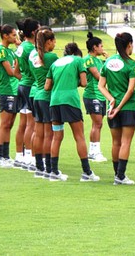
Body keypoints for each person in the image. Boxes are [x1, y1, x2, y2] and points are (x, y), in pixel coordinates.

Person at [45, 43, 100, 182]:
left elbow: (47, 86)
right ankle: (87, 172)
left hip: (54, 101)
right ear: (77, 53)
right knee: (79, 136)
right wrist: (71, 83)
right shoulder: (78, 60)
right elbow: (84, 82)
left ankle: (54, 171)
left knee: (57, 137)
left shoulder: (55, 63)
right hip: (70, 101)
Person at [98, 33, 135, 185]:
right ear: (129, 44)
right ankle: (121, 176)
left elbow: (101, 86)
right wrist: (120, 106)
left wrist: (112, 101)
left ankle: (117, 174)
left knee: (116, 142)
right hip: (128, 107)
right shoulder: (132, 64)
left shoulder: (108, 62)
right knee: (125, 142)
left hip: (113, 108)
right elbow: (130, 90)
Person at [29, 27, 58, 178]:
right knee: (49, 135)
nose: (55, 44)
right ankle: (49, 169)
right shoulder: (51, 57)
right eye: (53, 41)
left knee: (38, 133)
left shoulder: (33, 57)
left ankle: (38, 167)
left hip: (36, 96)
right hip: (47, 97)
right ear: (48, 42)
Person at [0, 24, 22, 168]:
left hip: (14, 90)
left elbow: (19, 62)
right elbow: (11, 72)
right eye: (13, 35)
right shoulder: (0, 51)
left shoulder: (10, 52)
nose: (15, 37)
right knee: (4, 124)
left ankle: (5, 156)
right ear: (5, 36)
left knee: (9, 125)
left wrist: (19, 46)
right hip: (6, 90)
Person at [13, 18, 39, 170]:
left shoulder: (21, 47)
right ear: (34, 32)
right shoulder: (31, 49)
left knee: (22, 124)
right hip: (30, 87)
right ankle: (29, 157)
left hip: (22, 86)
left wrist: (25, 80)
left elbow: (16, 72)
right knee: (31, 124)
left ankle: (19, 156)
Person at [83, 32, 108, 162]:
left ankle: (93, 151)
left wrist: (108, 60)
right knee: (97, 123)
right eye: (101, 46)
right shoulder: (88, 59)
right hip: (92, 94)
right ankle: (95, 152)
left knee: (98, 124)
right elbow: (99, 77)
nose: (102, 49)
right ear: (94, 47)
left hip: (101, 95)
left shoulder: (99, 60)